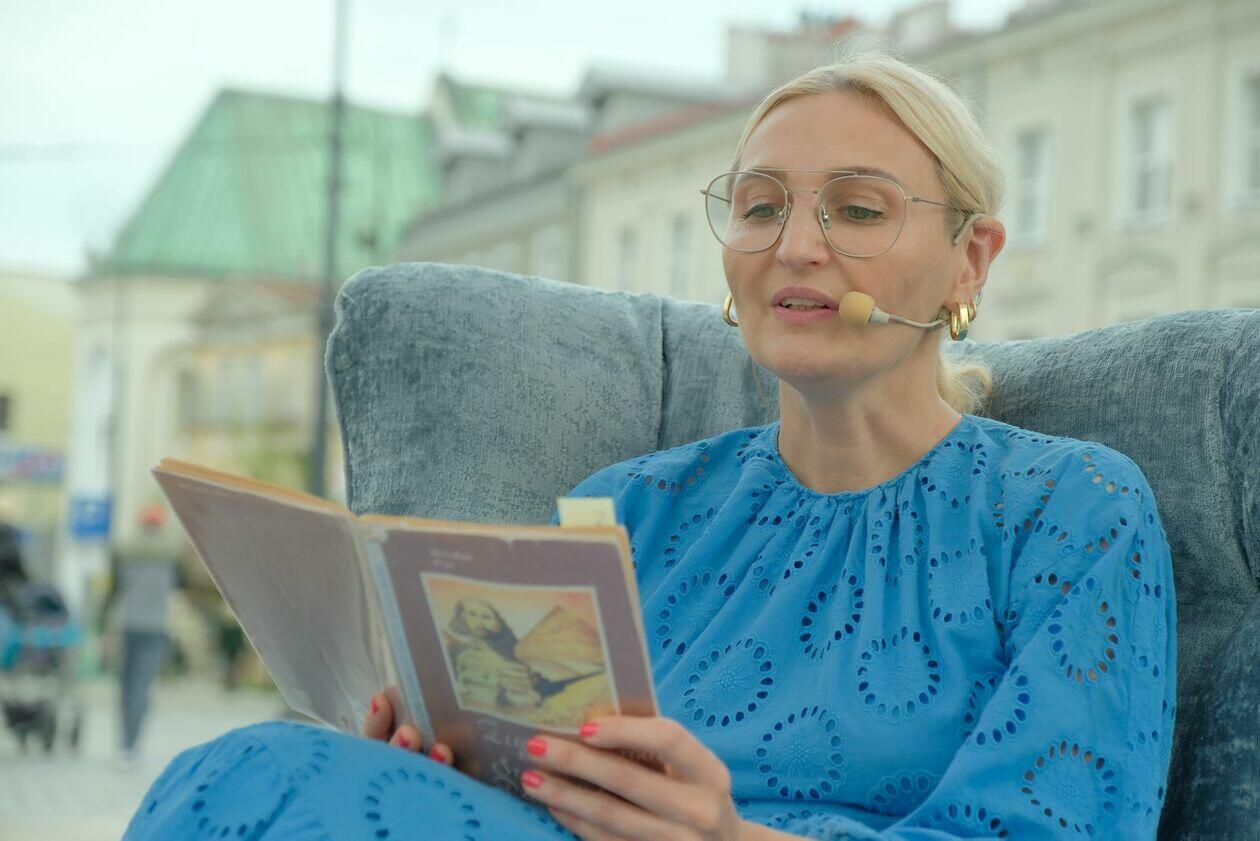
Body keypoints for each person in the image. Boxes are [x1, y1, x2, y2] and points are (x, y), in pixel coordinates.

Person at [122, 49, 1176, 840]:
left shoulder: (1072, 507)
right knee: (263, 765)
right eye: (759, 207)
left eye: (857, 210)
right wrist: (438, 760)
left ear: (970, 259)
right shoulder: (626, 509)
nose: (795, 246)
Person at [107, 502, 178, 768]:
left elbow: (113, 591)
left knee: (126, 687)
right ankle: (131, 745)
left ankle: (124, 744)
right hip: (155, 628)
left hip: (128, 625)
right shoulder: (171, 555)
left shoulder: (125, 551)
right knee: (142, 687)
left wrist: (103, 626)